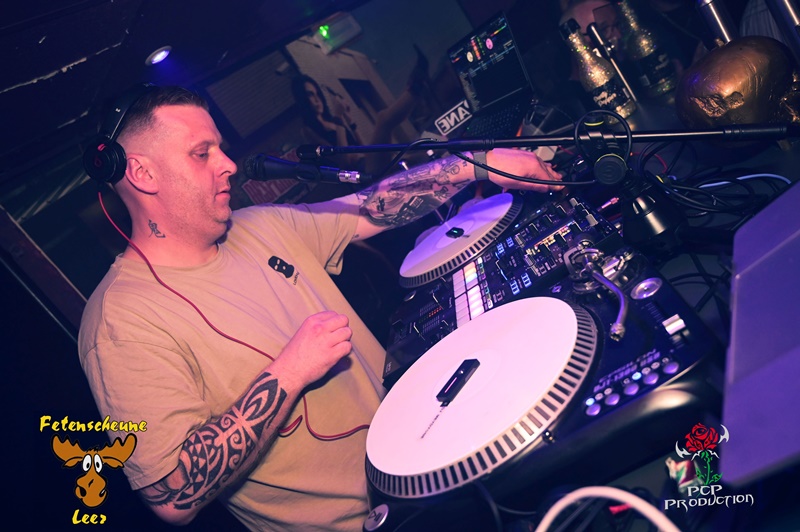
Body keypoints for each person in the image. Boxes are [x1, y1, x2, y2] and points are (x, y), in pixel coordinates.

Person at [77, 85, 563, 531]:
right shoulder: (121, 320)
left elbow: (372, 206)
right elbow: (172, 495)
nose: (227, 164)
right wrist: (290, 372)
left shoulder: (258, 227)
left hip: (438, 471)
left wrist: (479, 164)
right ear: (142, 173)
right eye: (202, 153)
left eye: (220, 148)